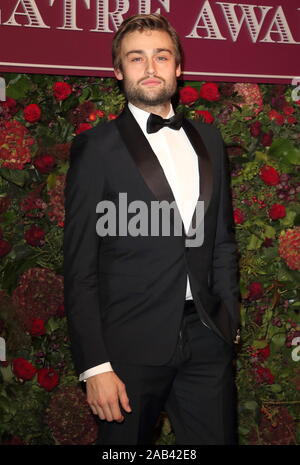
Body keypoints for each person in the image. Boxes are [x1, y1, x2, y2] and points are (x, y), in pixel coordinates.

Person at [63, 13, 241, 445]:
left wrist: (228, 317)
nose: (150, 68)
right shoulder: (97, 148)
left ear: (178, 68)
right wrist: (96, 366)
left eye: (161, 56)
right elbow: (80, 264)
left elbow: (219, 238)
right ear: (119, 71)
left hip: (205, 338)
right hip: (127, 347)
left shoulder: (209, 140)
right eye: (136, 58)